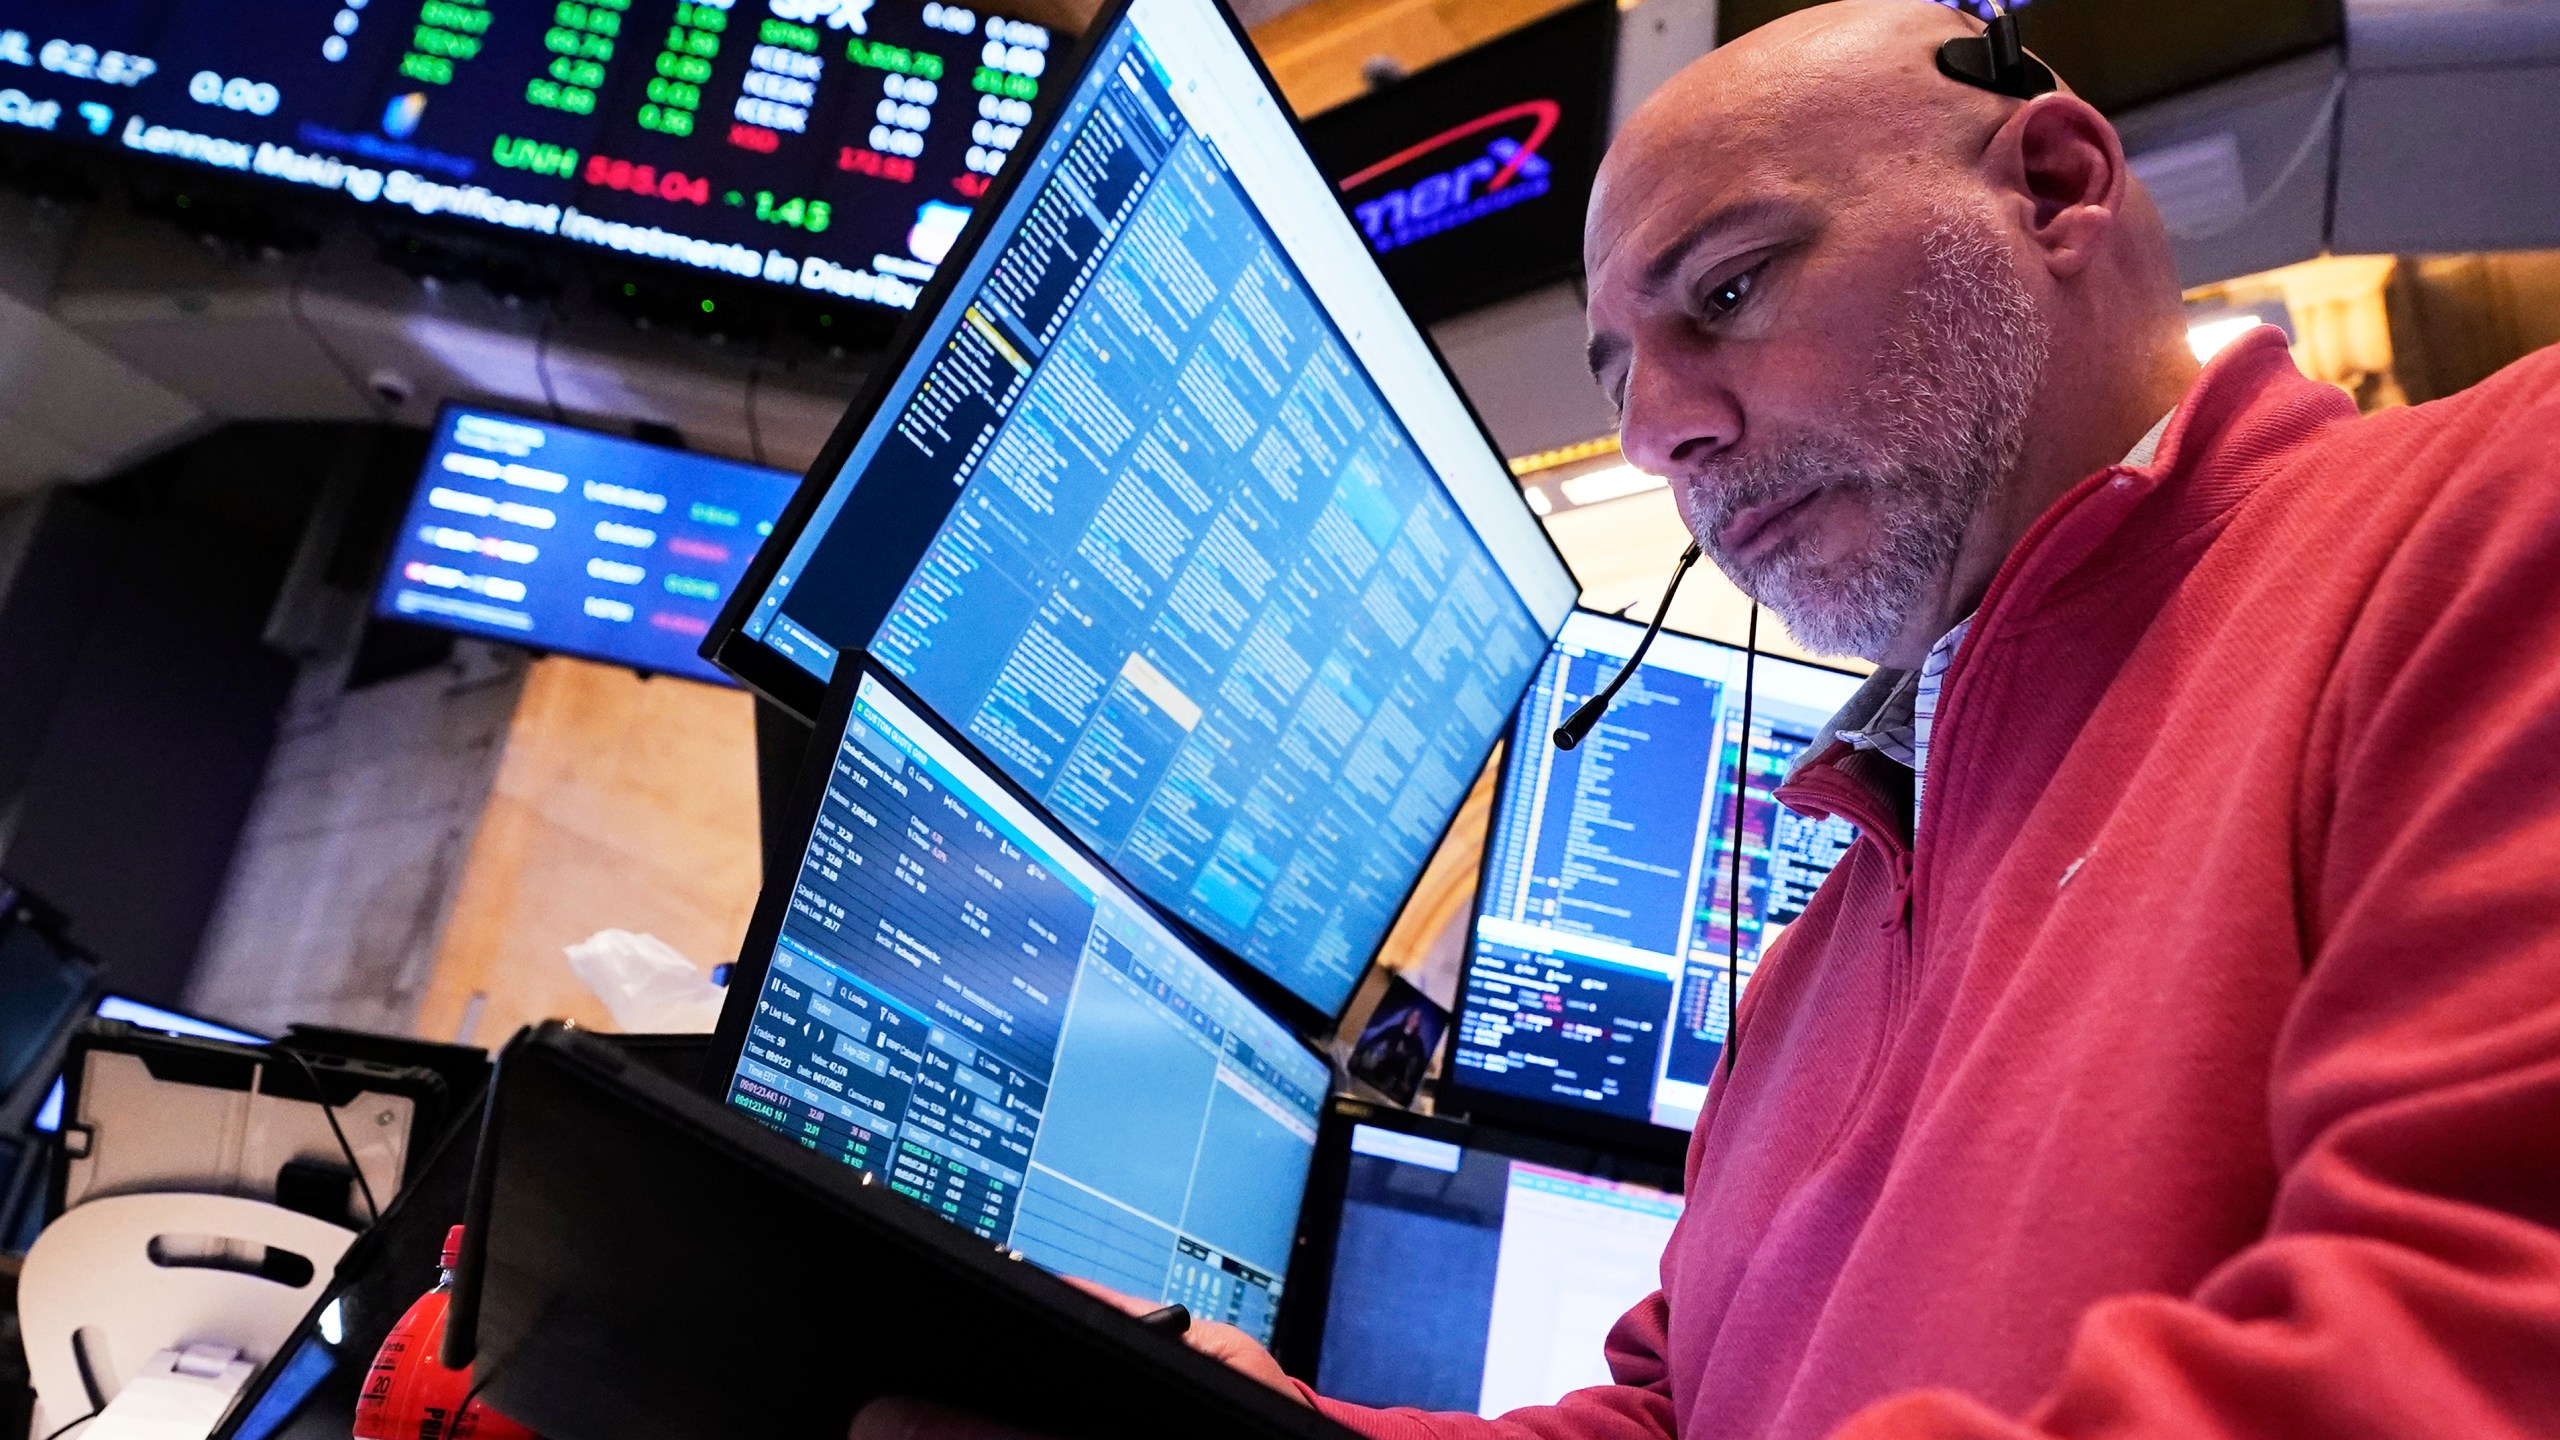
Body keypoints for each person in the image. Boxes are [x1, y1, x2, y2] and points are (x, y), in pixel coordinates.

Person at [856, 1, 2560, 1436]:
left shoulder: (2494, 508)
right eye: (1617, 377)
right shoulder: (1826, 935)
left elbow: (2469, 1342)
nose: (1664, 433)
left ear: (2051, 186)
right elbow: (1683, 1415)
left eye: (1728, 292)